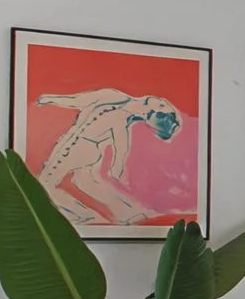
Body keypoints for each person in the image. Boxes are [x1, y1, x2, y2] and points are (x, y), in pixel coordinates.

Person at [32, 88, 183, 226]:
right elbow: (79, 100)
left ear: (146, 113)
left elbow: (121, 145)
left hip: (75, 147)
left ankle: (82, 214)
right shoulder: (113, 98)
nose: (158, 102)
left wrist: (117, 166)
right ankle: (128, 213)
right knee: (87, 182)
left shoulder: (121, 116)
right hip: (87, 149)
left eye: (157, 108)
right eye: (161, 104)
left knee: (45, 184)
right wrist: (52, 98)